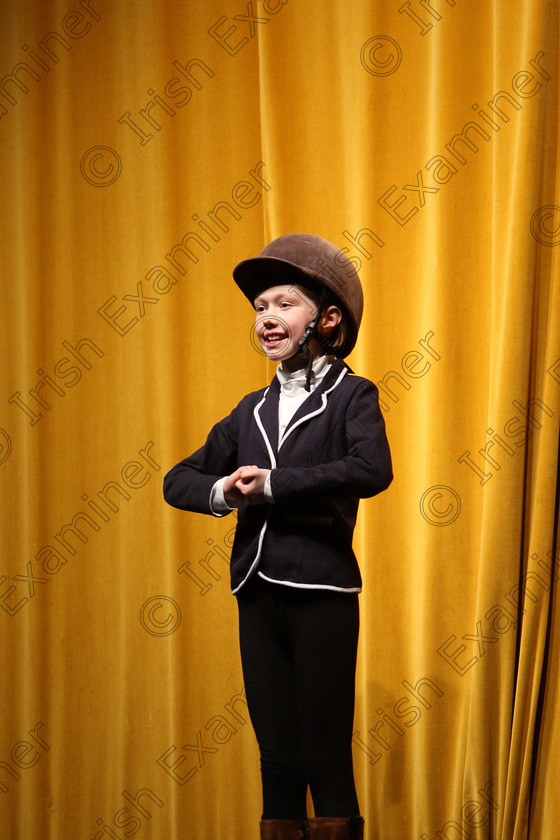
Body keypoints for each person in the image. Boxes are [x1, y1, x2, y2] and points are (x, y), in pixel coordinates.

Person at [163, 233, 393, 840]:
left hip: (321, 589)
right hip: (256, 592)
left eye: (284, 303)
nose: (268, 317)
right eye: (260, 307)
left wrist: (273, 485)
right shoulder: (249, 411)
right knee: (277, 756)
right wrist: (224, 492)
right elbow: (176, 480)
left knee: (323, 751)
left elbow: (372, 470)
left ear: (329, 318)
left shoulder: (352, 396)